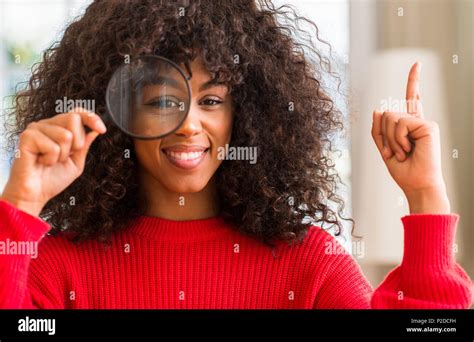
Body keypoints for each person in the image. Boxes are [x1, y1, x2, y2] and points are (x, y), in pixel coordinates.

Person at [0, 0, 471, 309]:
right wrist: (19, 206)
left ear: (243, 116)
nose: (189, 124)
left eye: (211, 101)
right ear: (117, 113)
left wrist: (426, 196)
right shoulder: (58, 268)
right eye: (163, 101)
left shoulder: (309, 265)